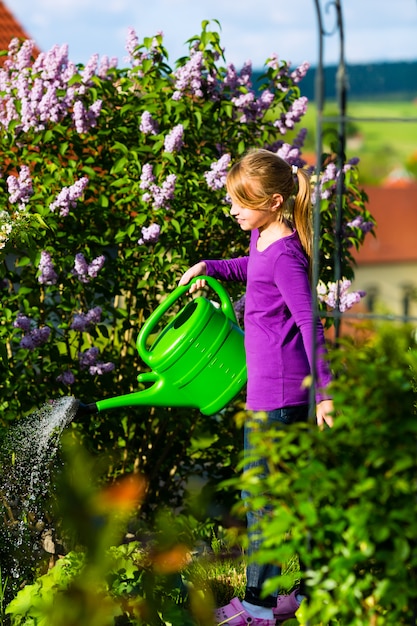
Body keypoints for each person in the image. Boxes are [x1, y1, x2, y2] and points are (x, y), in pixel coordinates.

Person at [179, 148, 334, 625]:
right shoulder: (262, 237)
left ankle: (258, 607)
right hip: (271, 395)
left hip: (284, 397)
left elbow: (310, 323)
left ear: (273, 201)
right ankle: (311, 593)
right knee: (285, 495)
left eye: (240, 202)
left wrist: (326, 392)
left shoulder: (286, 253)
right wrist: (212, 266)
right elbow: (253, 271)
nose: (233, 209)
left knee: (262, 501)